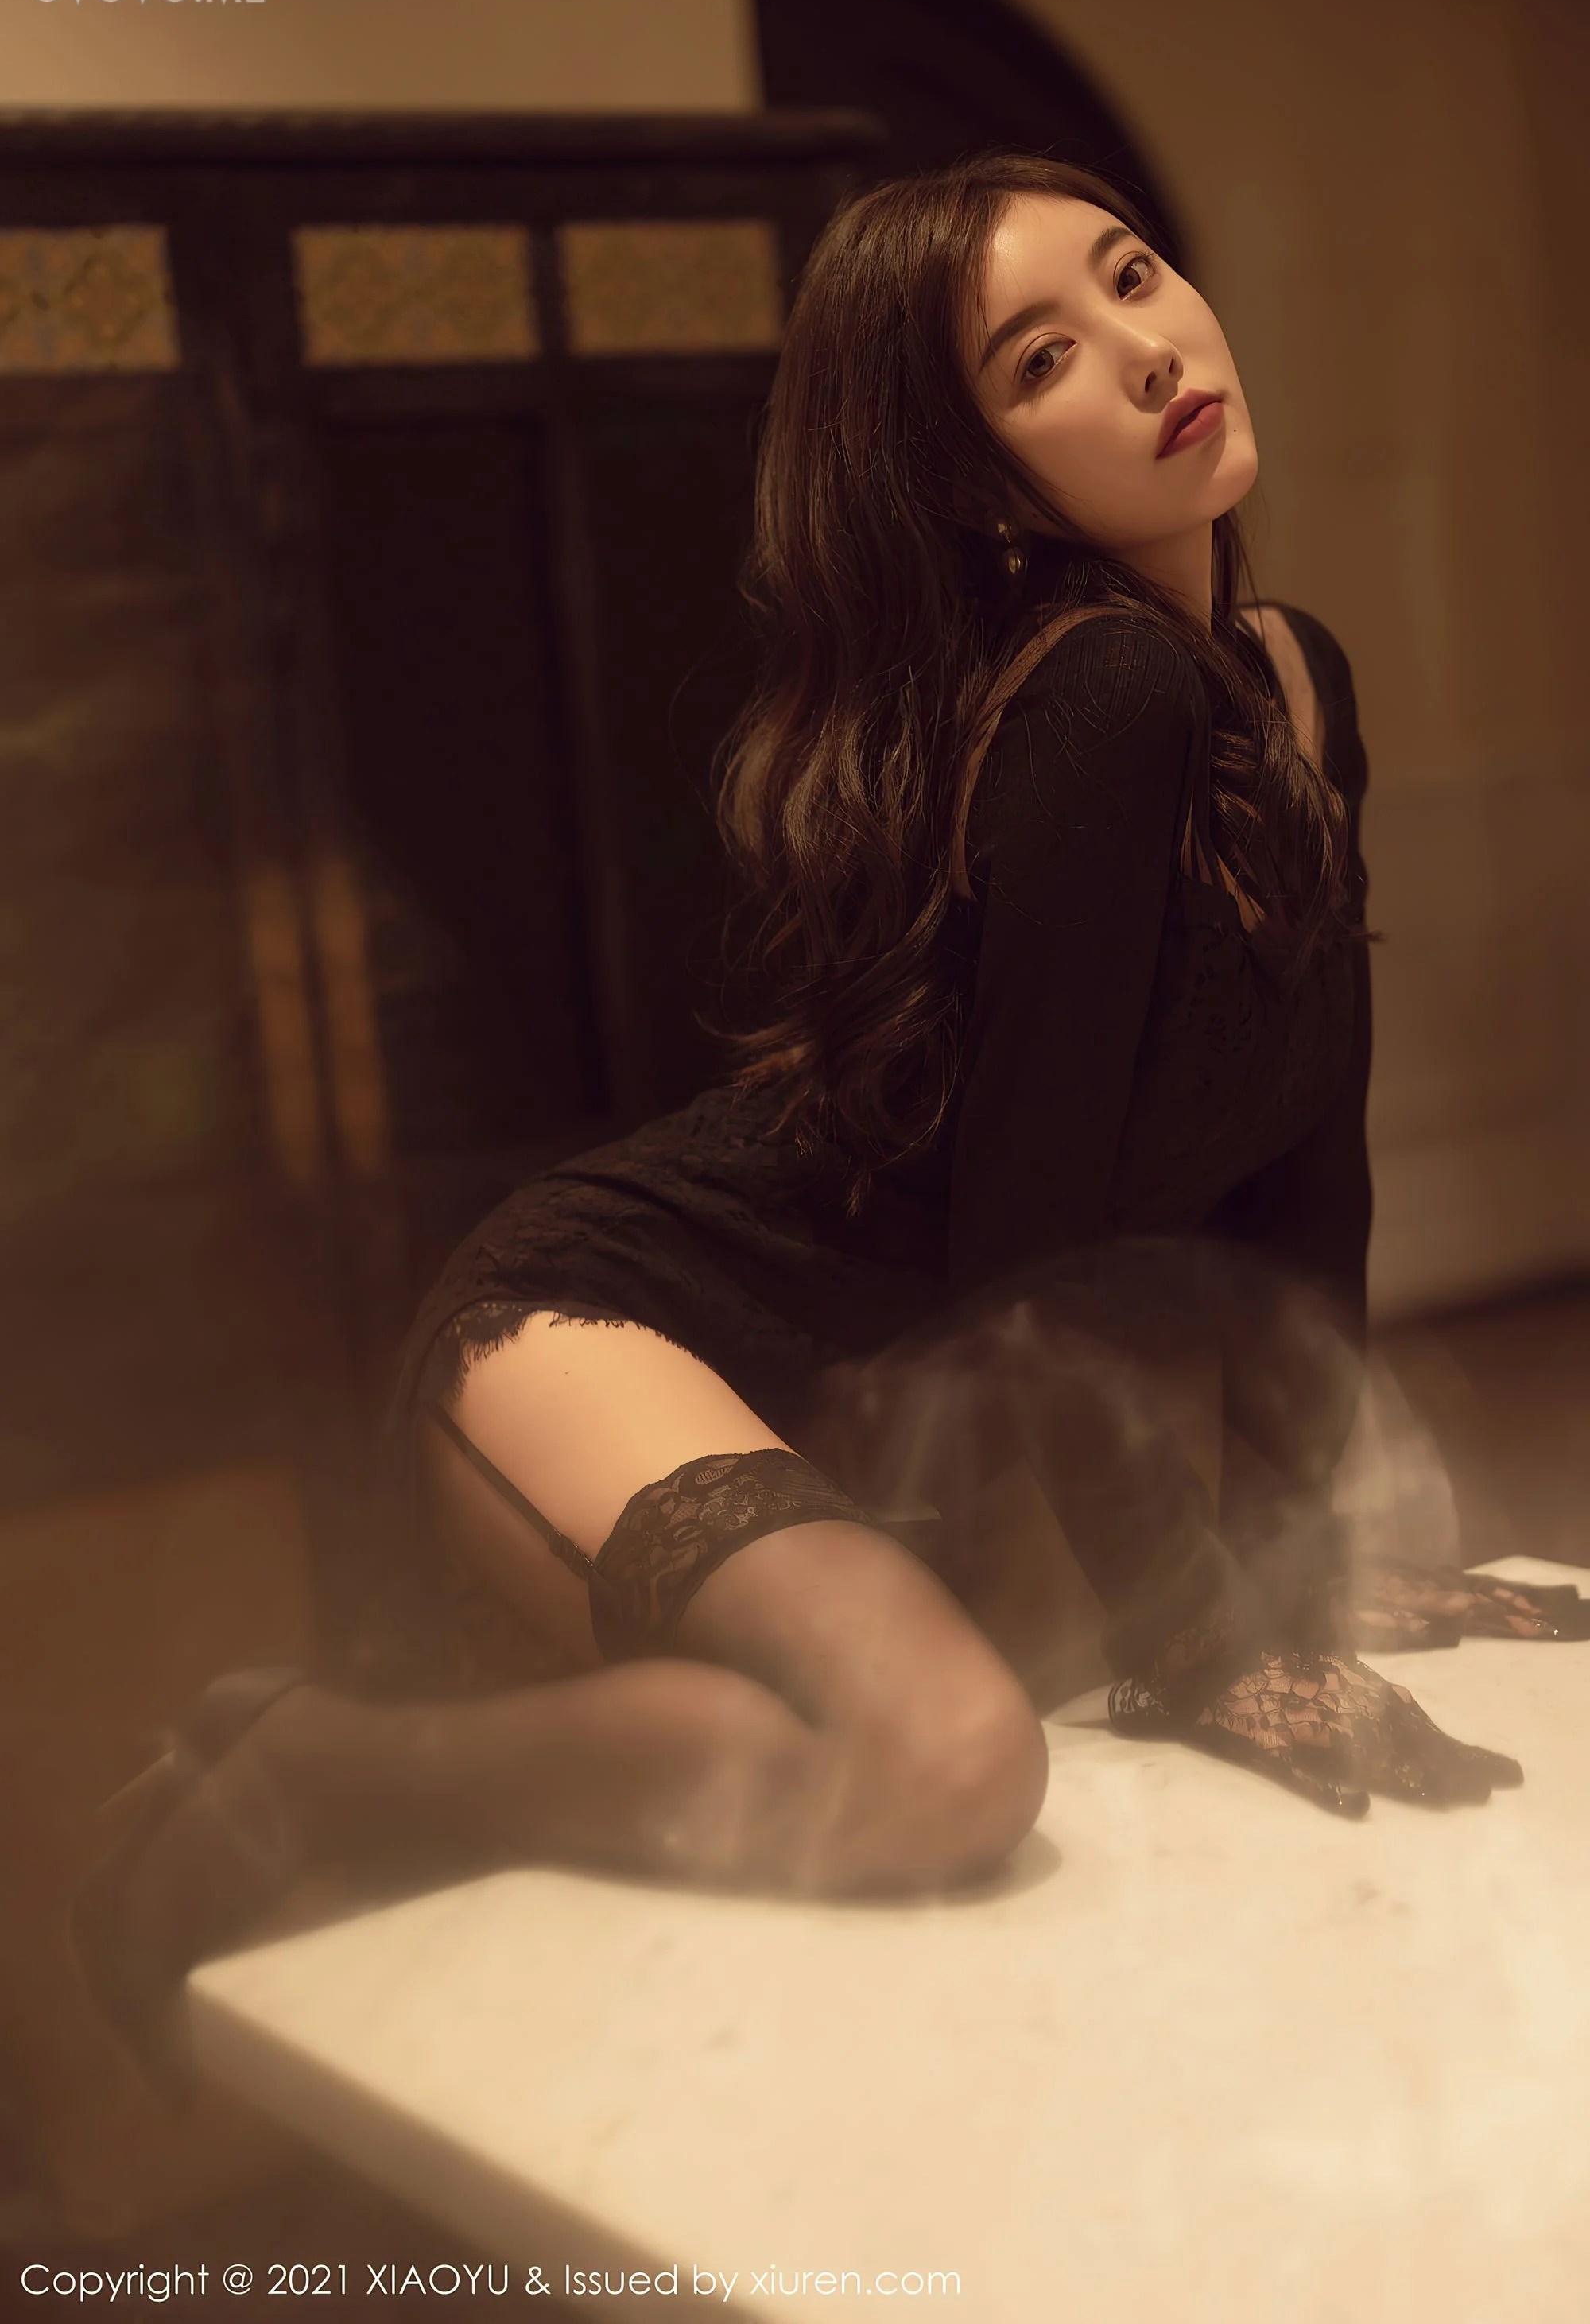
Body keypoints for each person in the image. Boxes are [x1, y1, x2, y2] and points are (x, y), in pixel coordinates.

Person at [51, 149, 1584, 2128]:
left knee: (944, 1800)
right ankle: (311, 1764)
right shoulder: (1105, 695)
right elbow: (1038, 1260)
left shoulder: (1293, 678)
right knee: (954, 1766)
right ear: (975, 485)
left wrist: (1301, 1561)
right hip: (599, 1327)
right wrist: (1202, 1637)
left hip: (843, 1379)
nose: (1141, 351)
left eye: (1130, 276)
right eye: (1040, 358)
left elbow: (1307, 1165)